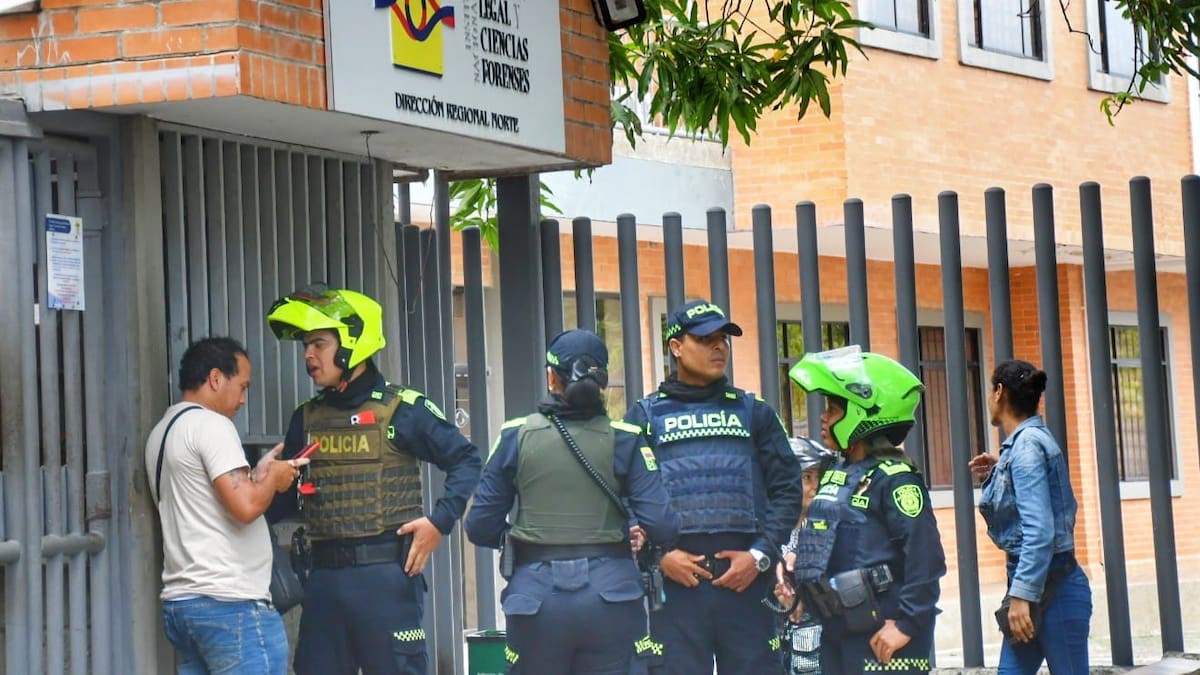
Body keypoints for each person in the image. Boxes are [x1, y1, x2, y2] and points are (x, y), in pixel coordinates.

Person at [266, 285, 482, 675]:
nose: (308, 355)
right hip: (324, 581)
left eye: (318, 343)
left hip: (386, 579)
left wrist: (439, 522)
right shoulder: (306, 417)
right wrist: (260, 484)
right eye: (305, 345)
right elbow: (281, 503)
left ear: (352, 341)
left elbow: (467, 460)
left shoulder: (403, 409)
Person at [465, 328, 681, 673]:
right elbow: (663, 524)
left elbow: (478, 526)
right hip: (613, 597)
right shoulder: (627, 439)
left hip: (535, 600)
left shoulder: (516, 434)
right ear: (603, 382)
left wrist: (521, 539)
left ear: (552, 378)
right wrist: (637, 533)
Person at [624, 299, 804, 674]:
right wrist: (658, 558)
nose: (719, 346)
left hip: (745, 586)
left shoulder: (755, 413)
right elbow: (622, 498)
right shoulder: (643, 417)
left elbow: (787, 491)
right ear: (676, 347)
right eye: (705, 338)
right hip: (674, 590)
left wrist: (759, 557)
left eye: (723, 338)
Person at [145, 337, 307, 675]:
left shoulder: (163, 431)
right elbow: (245, 507)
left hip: (184, 605)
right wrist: (274, 481)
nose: (244, 399)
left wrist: (257, 475)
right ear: (216, 378)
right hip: (230, 606)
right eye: (242, 386)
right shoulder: (212, 425)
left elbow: (209, 502)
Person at [786, 346, 945, 674]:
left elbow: (925, 560)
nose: (823, 417)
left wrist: (907, 625)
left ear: (864, 414)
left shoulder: (897, 481)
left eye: (833, 409)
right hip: (839, 629)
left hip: (884, 634)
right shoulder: (838, 473)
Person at [969, 359, 1091, 674]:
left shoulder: (1025, 450)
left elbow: (1039, 531)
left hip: (1053, 592)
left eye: (990, 390)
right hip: (1038, 590)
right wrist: (1001, 471)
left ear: (999, 392)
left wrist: (1021, 595)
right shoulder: (1025, 447)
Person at [773, 437, 838, 675]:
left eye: (819, 477)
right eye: (806, 477)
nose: (815, 485)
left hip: (817, 640)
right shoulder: (769, 527)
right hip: (771, 639)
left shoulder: (831, 524)